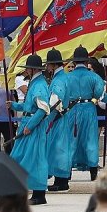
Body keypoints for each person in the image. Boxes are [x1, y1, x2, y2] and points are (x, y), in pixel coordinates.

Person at [9, 54, 50, 205]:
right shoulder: (35, 83)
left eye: (27, 69)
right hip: (28, 123)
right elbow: (29, 107)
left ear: (32, 69)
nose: (26, 71)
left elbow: (43, 109)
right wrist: (14, 105)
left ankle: (39, 194)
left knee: (36, 158)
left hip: (33, 126)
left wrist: (30, 126)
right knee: (21, 157)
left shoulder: (39, 85)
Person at [67, 47, 106, 180]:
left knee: (71, 139)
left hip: (72, 109)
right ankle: (93, 171)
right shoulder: (94, 76)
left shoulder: (68, 76)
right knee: (91, 139)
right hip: (89, 108)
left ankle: (67, 172)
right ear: (86, 61)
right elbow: (99, 92)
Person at [46, 49, 74, 192]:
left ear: (51, 65)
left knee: (59, 148)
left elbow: (56, 100)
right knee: (64, 147)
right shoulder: (65, 76)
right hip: (66, 115)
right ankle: (63, 178)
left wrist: (47, 114)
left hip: (59, 117)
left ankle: (61, 180)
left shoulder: (58, 80)